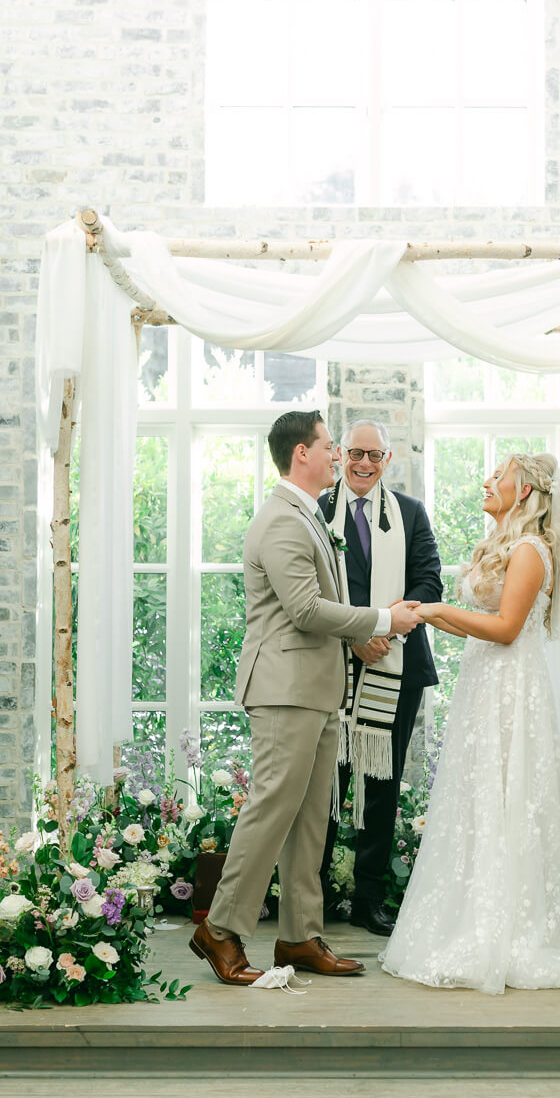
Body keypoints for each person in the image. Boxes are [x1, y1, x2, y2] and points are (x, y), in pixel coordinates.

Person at [190, 410, 421, 985]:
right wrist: (381, 618)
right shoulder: (282, 520)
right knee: (271, 810)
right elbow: (305, 610)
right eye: (328, 446)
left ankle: (298, 936)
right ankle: (219, 930)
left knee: (312, 817)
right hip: (284, 689)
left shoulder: (310, 514)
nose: (338, 456)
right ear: (302, 454)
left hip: (319, 691)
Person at [380, 452, 560, 994]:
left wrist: (431, 611)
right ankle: (472, 914)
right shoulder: (504, 546)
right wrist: (424, 611)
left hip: (513, 691)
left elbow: (505, 628)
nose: (487, 481)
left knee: (508, 796)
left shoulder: (530, 550)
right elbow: (479, 628)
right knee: (479, 798)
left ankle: (510, 929)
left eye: (499, 476)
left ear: (525, 491)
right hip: (484, 687)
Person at [318, 420, 442, 936]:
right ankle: (314, 899)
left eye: (375, 455)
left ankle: (369, 900)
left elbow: (428, 580)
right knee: (324, 785)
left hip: (396, 666)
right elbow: (309, 587)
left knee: (382, 786)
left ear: (388, 459)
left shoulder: (410, 513)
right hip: (328, 664)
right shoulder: (317, 509)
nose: (364, 464)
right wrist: (354, 634)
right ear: (341, 454)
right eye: (356, 453)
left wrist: (383, 633)